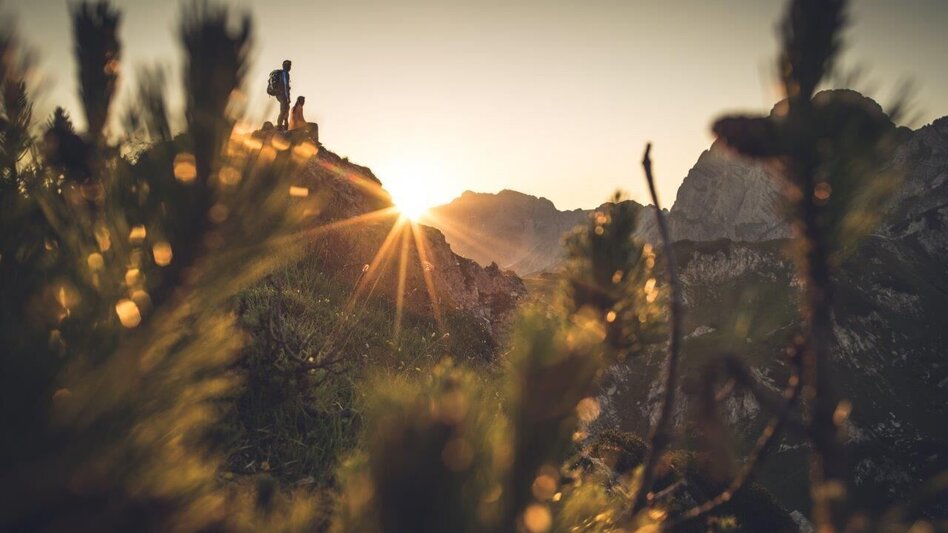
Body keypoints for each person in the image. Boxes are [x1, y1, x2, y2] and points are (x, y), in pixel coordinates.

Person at [273, 59, 291, 130]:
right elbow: (286, 85)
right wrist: (288, 97)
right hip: (283, 94)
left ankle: (285, 124)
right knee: (284, 110)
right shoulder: (285, 73)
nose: (290, 67)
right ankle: (280, 127)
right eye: (289, 65)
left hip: (279, 94)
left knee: (285, 109)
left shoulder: (282, 73)